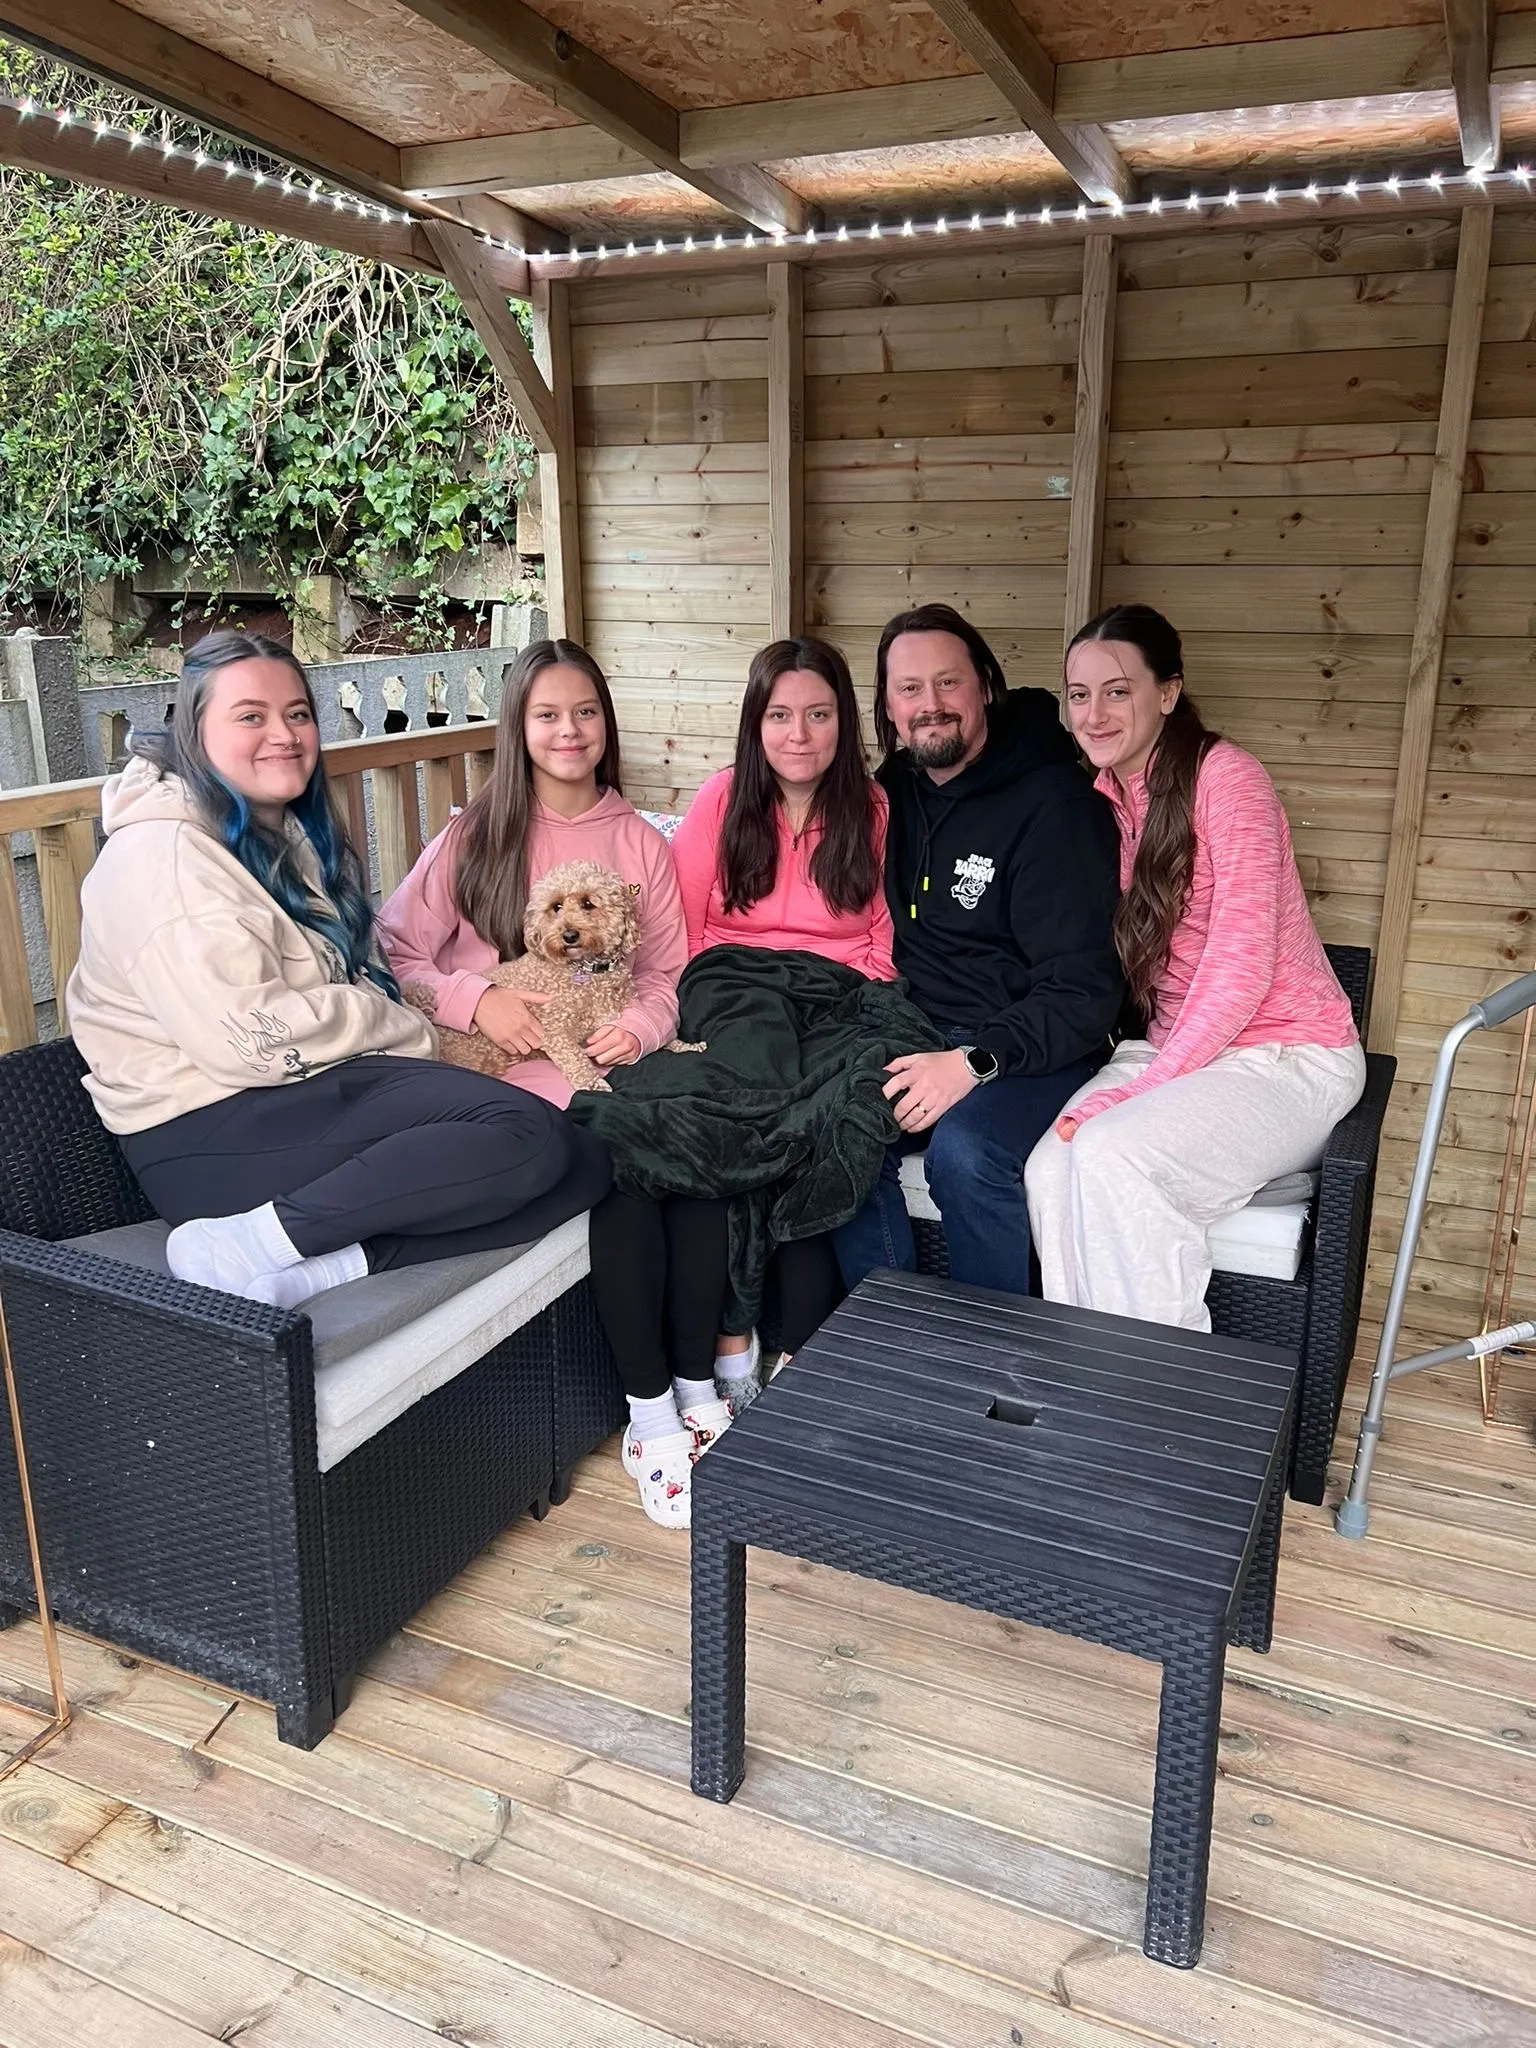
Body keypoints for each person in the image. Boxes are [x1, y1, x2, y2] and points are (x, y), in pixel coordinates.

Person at [67, 630, 610, 1310]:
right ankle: (249, 1239)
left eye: (297, 713)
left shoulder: (272, 835)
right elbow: (253, 1042)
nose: (284, 734)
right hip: (208, 1132)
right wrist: (400, 1022)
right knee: (525, 1135)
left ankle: (317, 1266)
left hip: (305, 1092)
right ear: (193, 731)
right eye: (250, 716)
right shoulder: (165, 860)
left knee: (588, 1162)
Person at [589, 635, 896, 1527]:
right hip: (735, 983)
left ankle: (772, 1349)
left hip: (842, 993)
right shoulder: (724, 801)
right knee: (754, 1103)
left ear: (844, 721)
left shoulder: (872, 809)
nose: (799, 734)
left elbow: (880, 938)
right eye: (780, 715)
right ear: (754, 725)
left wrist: (850, 1000)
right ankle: (730, 1350)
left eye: (819, 714)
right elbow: (684, 931)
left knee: (834, 1120)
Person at [1025, 604, 1366, 1330]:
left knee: (1118, 1156)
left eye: (1118, 691)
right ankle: (1089, 1376)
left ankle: (1158, 1408)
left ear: (1168, 693)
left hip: (1287, 1055)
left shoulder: (1227, 779)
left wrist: (1143, 1088)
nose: (1094, 713)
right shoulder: (1107, 795)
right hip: (1186, 1047)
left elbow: (1242, 967)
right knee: (1049, 1168)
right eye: (1079, 695)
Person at [834, 603, 1125, 1298]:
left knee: (967, 1154)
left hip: (1034, 1041)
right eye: (909, 689)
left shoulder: (1058, 805)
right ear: (888, 707)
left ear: (986, 686)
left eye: (948, 684)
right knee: (835, 1121)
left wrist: (973, 1063)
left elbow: (1083, 990)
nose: (930, 706)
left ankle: (994, 1364)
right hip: (915, 1027)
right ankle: (892, 1338)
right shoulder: (888, 796)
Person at [378, 637, 687, 1108]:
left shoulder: (642, 843)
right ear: (518, 728)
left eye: (586, 712)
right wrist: (475, 1000)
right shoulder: (474, 837)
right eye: (547, 715)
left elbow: (662, 971)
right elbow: (392, 953)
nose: (570, 730)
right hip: (482, 1067)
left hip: (605, 1070)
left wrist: (642, 1027)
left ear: (607, 721)